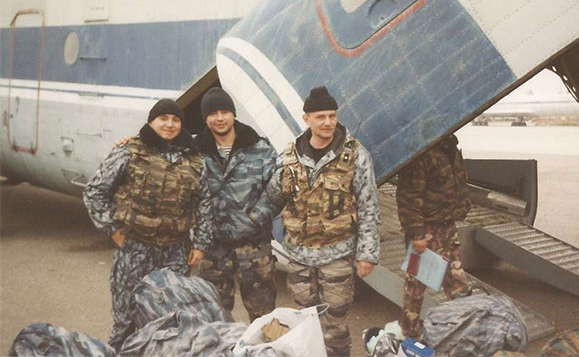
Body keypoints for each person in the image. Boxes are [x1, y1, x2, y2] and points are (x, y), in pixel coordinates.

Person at [249, 86, 381, 357]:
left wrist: (367, 254)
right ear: (306, 119)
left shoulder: (355, 156)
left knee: (335, 324)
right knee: (303, 322)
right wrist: (247, 227)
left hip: (337, 254)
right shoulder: (289, 157)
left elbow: (368, 206)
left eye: (332, 116)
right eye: (321, 117)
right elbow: (272, 198)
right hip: (299, 256)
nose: (328, 122)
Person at [83, 99, 214, 350]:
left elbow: (204, 204)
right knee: (126, 321)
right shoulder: (129, 151)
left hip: (176, 251)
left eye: (175, 120)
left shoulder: (195, 159)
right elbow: (95, 191)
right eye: (163, 118)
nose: (170, 124)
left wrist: (200, 244)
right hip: (135, 248)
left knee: (170, 320)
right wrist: (112, 229)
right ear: (151, 122)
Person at [194, 87, 277, 321]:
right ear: (205, 118)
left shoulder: (260, 148)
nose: (219, 118)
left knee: (263, 317)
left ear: (233, 114)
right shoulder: (194, 151)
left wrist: (255, 218)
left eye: (224, 112)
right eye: (212, 113)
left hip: (254, 246)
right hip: (213, 248)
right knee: (212, 316)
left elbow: (277, 191)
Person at [395, 134, 474, 339]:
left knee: (458, 282)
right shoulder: (421, 154)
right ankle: (409, 332)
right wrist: (417, 234)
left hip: (448, 226)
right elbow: (408, 197)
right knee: (416, 286)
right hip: (426, 230)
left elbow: (460, 182)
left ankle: (463, 332)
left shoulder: (451, 147)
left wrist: (463, 206)